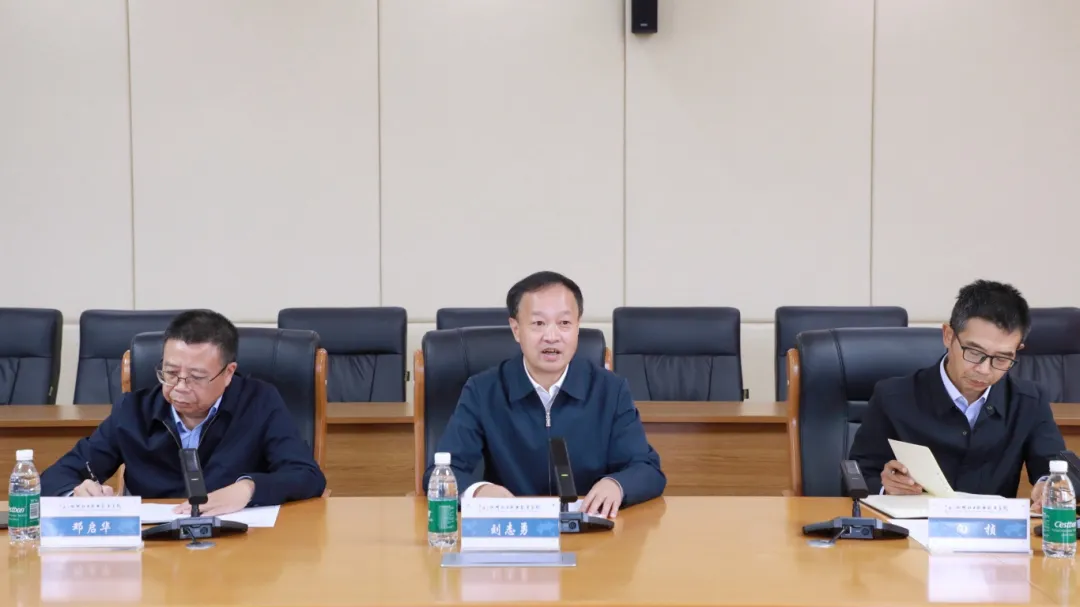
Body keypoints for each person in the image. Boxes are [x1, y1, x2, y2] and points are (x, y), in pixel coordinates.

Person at [423, 271, 666, 519]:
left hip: (589, 530)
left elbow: (646, 468)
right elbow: (440, 473)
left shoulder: (610, 390)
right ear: (516, 329)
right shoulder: (483, 391)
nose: (552, 336)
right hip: (512, 529)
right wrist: (478, 492)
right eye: (538, 323)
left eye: (564, 323)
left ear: (577, 327)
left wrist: (617, 485)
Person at [40, 309, 326, 515]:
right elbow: (57, 476)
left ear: (228, 373)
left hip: (238, 548)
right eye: (170, 373)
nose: (179, 387)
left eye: (197, 377)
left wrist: (247, 489)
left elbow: (306, 475)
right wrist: (77, 493)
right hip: (156, 552)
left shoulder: (259, 402)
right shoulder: (134, 411)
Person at [850, 280, 1064, 508]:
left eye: (1002, 358)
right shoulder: (893, 397)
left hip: (991, 527)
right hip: (913, 527)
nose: (984, 370)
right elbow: (857, 474)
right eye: (974, 352)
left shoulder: (1029, 401)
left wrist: (1049, 486)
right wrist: (886, 486)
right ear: (948, 336)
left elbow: (1057, 468)